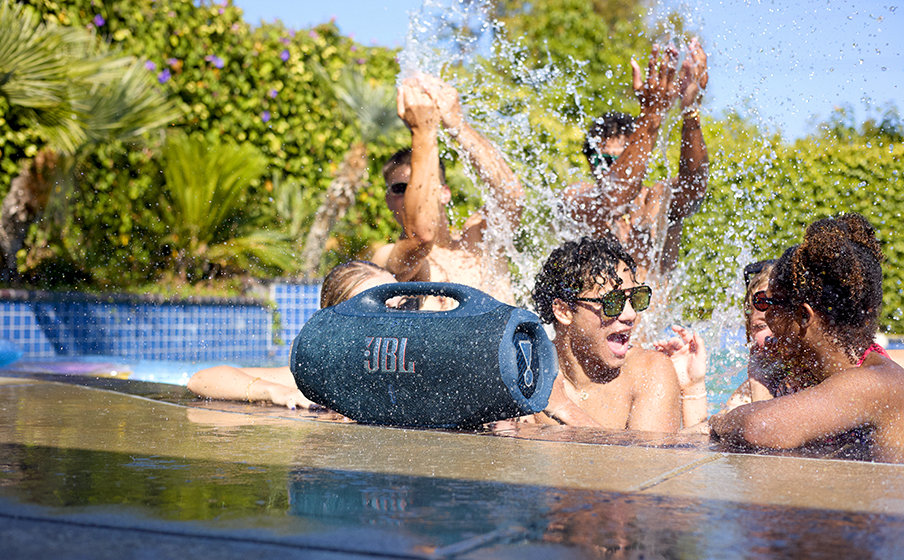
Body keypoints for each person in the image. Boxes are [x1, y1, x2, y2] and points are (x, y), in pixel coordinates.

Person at [710, 213, 904, 463]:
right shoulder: (812, 375)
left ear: (803, 315)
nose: (767, 315)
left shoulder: (876, 382)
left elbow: (760, 427)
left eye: (772, 303)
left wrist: (722, 421)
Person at [564, 38, 709, 283]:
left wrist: (690, 113)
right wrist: (652, 115)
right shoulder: (578, 201)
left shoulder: (659, 198)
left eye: (623, 159)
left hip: (656, 321)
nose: (611, 169)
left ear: (640, 156)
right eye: (604, 160)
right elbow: (614, 199)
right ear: (589, 162)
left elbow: (694, 187)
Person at [372, 74, 524, 308]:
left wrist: (457, 125)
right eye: (401, 188)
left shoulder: (480, 238)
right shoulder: (387, 259)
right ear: (388, 200)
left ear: (445, 193)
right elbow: (421, 238)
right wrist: (423, 131)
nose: (414, 194)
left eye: (423, 186)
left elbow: (511, 194)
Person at [187, 261, 400, 410]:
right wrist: (274, 391)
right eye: (379, 308)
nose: (398, 318)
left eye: (404, 306)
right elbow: (202, 379)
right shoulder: (325, 378)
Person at [529, 235, 682, 431]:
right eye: (612, 302)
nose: (631, 314)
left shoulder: (649, 372)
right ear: (563, 311)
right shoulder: (528, 373)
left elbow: (647, 459)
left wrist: (567, 411)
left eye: (635, 298)